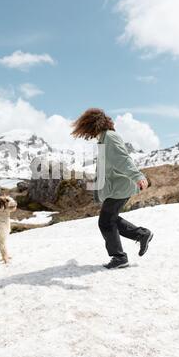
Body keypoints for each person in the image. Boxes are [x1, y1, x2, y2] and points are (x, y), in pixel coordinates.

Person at [71, 108, 153, 269]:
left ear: (92, 125)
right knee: (111, 219)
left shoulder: (110, 137)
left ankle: (119, 257)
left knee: (106, 222)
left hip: (121, 187)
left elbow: (123, 160)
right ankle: (142, 235)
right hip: (116, 187)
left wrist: (138, 177)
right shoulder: (104, 139)